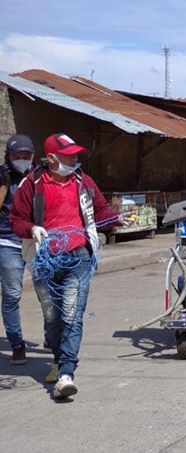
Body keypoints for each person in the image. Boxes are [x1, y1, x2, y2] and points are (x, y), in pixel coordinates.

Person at [10, 133, 122, 399]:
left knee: (72, 315)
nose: (75, 160)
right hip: (44, 260)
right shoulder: (32, 183)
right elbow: (16, 219)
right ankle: (58, 359)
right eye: (68, 156)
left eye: (75, 155)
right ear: (51, 158)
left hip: (78, 257)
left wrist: (118, 219)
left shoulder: (84, 181)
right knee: (52, 316)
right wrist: (32, 228)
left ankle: (66, 374)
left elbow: (101, 211)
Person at [1, 135, 35, 366]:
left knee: (48, 294)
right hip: (8, 241)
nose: (22, 159)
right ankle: (17, 344)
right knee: (12, 294)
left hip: (36, 240)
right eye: (17, 155)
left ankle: (52, 337)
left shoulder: (40, 175)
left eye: (26, 155)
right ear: (9, 156)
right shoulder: (3, 175)